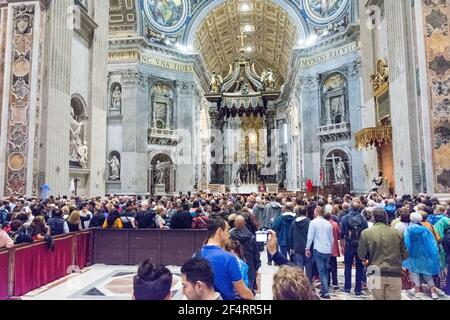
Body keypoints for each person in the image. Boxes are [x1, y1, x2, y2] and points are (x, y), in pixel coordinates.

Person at [357, 207, 408, 300]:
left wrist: (366, 261)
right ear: (386, 217)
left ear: (373, 218)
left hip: (374, 271)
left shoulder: (366, 233)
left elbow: (361, 254)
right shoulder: (396, 232)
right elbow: (405, 254)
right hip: (394, 272)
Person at [199, 217, 254, 300]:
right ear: (220, 231)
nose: (229, 234)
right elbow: (243, 292)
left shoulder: (196, 256)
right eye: (227, 230)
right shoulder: (228, 258)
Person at [403, 212, 440, 299]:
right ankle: (433, 291)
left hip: (413, 254)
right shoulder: (425, 229)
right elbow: (432, 242)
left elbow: (406, 243)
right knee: (427, 273)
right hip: (425, 254)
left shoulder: (408, 230)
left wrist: (405, 254)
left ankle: (417, 291)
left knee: (414, 273)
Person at [340, 200, 368, 295]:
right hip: (360, 245)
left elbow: (342, 233)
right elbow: (365, 233)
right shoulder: (363, 219)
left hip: (349, 244)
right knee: (359, 267)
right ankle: (358, 289)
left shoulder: (344, 218)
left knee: (347, 266)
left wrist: (342, 246)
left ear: (350, 207)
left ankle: (347, 287)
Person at [305, 206, 334, 299]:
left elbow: (310, 237)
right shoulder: (328, 223)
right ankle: (324, 288)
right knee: (325, 269)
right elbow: (331, 239)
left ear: (316, 212)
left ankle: (325, 292)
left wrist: (307, 248)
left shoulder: (313, 223)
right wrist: (331, 248)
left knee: (321, 271)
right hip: (327, 249)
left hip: (318, 249)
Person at [229, 215, 261, 292]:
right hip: (250, 265)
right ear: (245, 223)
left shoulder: (230, 237)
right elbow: (256, 253)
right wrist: (257, 266)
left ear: (234, 224)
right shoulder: (252, 237)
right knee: (248, 287)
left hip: (234, 264)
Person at [288, 205, 312, 279]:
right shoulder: (309, 222)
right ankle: (309, 283)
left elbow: (290, 236)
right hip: (308, 247)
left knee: (299, 266)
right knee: (308, 266)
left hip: (297, 247)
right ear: (306, 213)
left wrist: (291, 247)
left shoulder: (293, 223)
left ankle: (300, 283)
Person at [324, 210, 340, 290]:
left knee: (326, 266)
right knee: (334, 266)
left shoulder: (323, 224)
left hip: (325, 248)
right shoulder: (334, 224)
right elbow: (338, 234)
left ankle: (327, 282)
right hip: (334, 248)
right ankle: (335, 283)